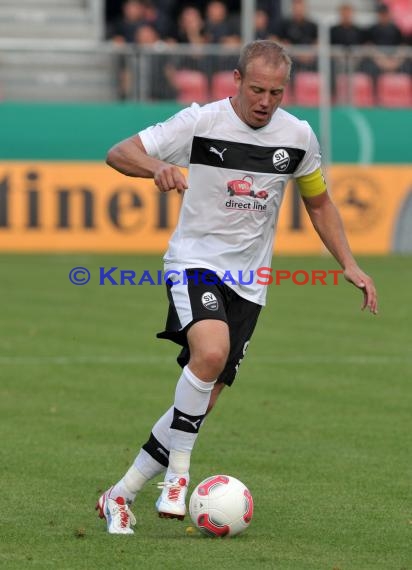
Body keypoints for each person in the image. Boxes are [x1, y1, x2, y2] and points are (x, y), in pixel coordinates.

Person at [96, 40, 378, 534]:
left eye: (276, 91)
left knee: (201, 397)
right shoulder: (200, 122)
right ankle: (179, 476)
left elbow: (319, 203)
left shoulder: (299, 137)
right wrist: (157, 166)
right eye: (256, 89)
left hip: (250, 282)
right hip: (195, 262)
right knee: (209, 354)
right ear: (236, 80)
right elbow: (120, 152)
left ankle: (120, 494)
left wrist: (349, 263)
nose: (265, 100)